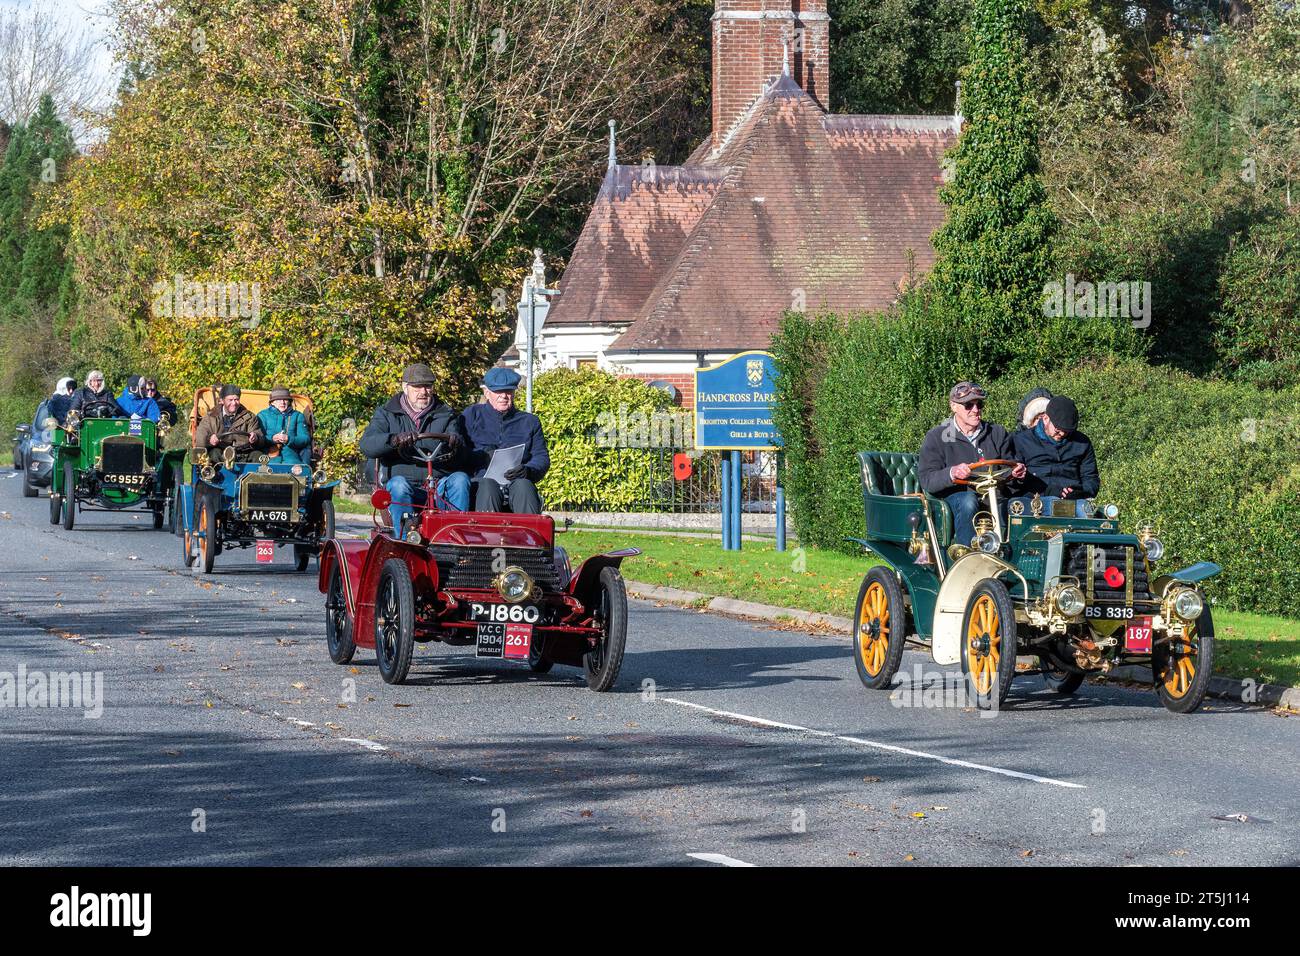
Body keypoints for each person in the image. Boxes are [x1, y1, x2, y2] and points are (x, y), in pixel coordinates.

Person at [359, 363, 470, 534]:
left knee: (460, 480)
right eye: (417, 387)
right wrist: (394, 440)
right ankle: (404, 538)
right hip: (404, 484)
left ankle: (454, 536)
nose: (423, 392)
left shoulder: (446, 414)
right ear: (405, 387)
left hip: (438, 486)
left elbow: (461, 454)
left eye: (428, 386)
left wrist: (457, 444)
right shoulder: (387, 413)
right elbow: (367, 445)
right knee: (398, 485)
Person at [918, 381, 1026, 550]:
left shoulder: (997, 433)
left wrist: (1016, 474)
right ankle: (965, 556)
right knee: (968, 501)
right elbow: (927, 479)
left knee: (1021, 505)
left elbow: (1008, 471)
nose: (975, 410)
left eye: (979, 404)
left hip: (994, 496)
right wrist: (952, 473)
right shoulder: (937, 436)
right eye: (968, 405)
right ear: (954, 406)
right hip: (957, 497)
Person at [459, 367, 549, 515]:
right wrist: (481, 456)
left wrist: (528, 470)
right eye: (498, 392)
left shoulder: (529, 421)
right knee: (488, 487)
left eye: (508, 391)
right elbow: (459, 452)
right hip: (481, 480)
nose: (504, 396)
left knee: (524, 487)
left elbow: (541, 457)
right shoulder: (471, 415)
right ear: (487, 393)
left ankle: (529, 536)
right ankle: (487, 535)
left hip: (516, 481)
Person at [1010, 395, 1099, 518]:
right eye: (1058, 429)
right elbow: (1013, 481)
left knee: (1087, 510)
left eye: (1067, 431)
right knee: (1020, 506)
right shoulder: (1021, 441)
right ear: (1045, 418)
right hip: (1036, 498)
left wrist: (1080, 491)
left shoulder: (1082, 443)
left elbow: (1091, 478)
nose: (1062, 434)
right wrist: (1020, 477)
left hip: (1074, 501)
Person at [193, 385, 265, 464]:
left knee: (258, 456)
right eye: (230, 400)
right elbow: (200, 441)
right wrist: (209, 440)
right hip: (221, 454)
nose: (234, 403)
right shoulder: (210, 417)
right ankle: (215, 476)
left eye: (236, 399)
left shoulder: (250, 417)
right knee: (214, 454)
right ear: (222, 401)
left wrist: (255, 438)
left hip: (244, 454)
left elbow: (260, 438)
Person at [257, 387, 312, 465]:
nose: (282, 402)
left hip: (291, 458)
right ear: (272, 402)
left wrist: (289, 439)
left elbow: (305, 438)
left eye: (285, 399)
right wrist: (272, 438)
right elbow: (258, 438)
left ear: (289, 402)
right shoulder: (262, 415)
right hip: (267, 458)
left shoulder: (297, 416)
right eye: (278, 400)